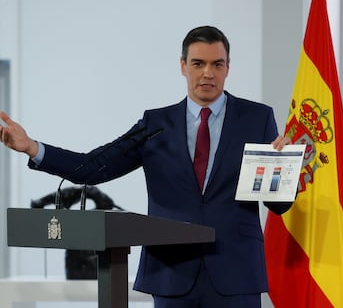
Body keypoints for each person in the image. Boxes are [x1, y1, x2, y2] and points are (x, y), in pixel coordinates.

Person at [0, 25, 292, 308]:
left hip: (236, 273)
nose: (208, 73)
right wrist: (32, 147)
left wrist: (287, 171)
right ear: (182, 66)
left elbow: (277, 206)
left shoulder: (257, 118)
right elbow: (93, 167)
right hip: (172, 273)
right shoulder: (156, 125)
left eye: (217, 64)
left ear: (228, 67)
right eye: (198, 63)